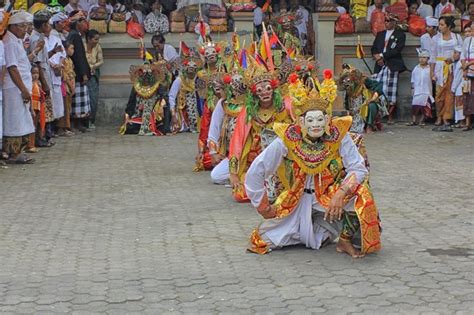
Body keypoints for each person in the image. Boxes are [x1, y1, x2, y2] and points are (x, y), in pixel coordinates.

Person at [244, 80, 381, 258]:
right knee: (263, 240)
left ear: (327, 119)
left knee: (362, 194)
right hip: (296, 198)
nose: (315, 125)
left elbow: (358, 168)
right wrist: (263, 206)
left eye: (320, 119)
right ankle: (311, 227)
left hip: (327, 196)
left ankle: (344, 240)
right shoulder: (289, 137)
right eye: (310, 120)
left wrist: (341, 192)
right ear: (301, 121)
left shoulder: (338, 134)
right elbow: (258, 169)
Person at [228, 63, 293, 202]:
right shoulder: (248, 112)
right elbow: (237, 141)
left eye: (268, 88)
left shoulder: (285, 105)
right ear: (254, 93)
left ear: (274, 89)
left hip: (284, 156)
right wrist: (233, 173)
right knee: (241, 194)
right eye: (260, 89)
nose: (264, 92)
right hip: (257, 158)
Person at [3, 11, 36, 164]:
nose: (25, 30)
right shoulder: (9, 42)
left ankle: (17, 151)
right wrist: (23, 89)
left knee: (22, 119)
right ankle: (13, 153)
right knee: (15, 120)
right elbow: (12, 68)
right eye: (23, 26)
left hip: (20, 88)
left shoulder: (16, 40)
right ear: (14, 27)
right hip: (14, 88)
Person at [208, 72, 247, 185]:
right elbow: (214, 128)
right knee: (216, 176)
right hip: (232, 154)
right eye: (233, 84)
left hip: (249, 153)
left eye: (240, 84)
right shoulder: (223, 103)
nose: (236, 88)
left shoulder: (252, 104)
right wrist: (213, 152)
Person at [371, 13, 407, 125]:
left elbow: (397, 50)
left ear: (394, 22)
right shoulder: (380, 34)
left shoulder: (400, 35)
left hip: (392, 65)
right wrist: (377, 57)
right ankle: (377, 115)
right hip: (379, 65)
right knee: (378, 89)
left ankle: (390, 116)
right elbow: (374, 48)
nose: (387, 23)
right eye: (385, 21)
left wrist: (382, 56)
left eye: (389, 21)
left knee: (391, 91)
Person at [430, 15, 462, 131]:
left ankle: (446, 117)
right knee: (439, 94)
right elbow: (432, 56)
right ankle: (439, 116)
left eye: (442, 25)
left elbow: (459, 52)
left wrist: (453, 59)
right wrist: (432, 72)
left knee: (449, 93)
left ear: (448, 26)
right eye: (439, 25)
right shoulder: (435, 39)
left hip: (452, 67)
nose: (440, 27)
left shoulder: (457, 37)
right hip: (439, 67)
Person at [121, 62, 168, 135]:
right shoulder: (136, 87)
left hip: (153, 115)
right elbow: (131, 102)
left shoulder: (157, 85)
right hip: (138, 115)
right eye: (144, 73)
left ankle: (148, 127)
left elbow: (164, 97)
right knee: (129, 127)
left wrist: (161, 105)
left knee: (161, 126)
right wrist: (127, 116)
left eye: (148, 73)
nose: (146, 76)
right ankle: (142, 127)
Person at [338, 65, 387, 133]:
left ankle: (369, 125)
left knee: (372, 106)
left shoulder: (363, 80)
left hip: (365, 104)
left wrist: (373, 98)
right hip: (353, 109)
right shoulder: (346, 83)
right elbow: (340, 88)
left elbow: (378, 86)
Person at [67, 10, 91, 132]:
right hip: (77, 73)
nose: (85, 24)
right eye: (83, 21)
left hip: (78, 71)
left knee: (80, 99)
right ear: (78, 23)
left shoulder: (75, 34)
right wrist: (83, 73)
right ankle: (74, 124)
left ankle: (79, 123)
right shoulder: (74, 35)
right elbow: (78, 57)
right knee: (77, 100)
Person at [169, 58, 201, 133]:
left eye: (193, 68)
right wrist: (173, 114)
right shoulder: (179, 80)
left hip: (195, 111)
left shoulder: (198, 80)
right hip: (181, 110)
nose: (191, 70)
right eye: (189, 68)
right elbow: (171, 96)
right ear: (186, 69)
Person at [408, 49, 433, 126]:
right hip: (417, 90)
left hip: (426, 90)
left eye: (424, 57)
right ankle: (414, 120)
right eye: (420, 57)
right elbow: (413, 80)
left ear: (428, 59)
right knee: (415, 106)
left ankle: (422, 121)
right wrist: (412, 89)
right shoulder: (416, 68)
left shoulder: (430, 69)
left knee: (424, 107)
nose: (422, 59)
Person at [56, 40, 76, 136]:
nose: (73, 50)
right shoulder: (63, 60)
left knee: (68, 106)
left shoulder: (70, 60)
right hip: (65, 86)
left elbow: (72, 73)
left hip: (70, 84)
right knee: (64, 106)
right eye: (71, 48)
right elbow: (65, 75)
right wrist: (71, 86)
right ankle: (62, 127)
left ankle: (66, 126)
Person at [85, 29, 103, 129]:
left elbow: (101, 61)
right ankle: (82, 121)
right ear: (89, 39)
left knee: (93, 98)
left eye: (98, 39)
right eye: (95, 39)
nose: (97, 41)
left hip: (93, 74)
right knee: (83, 98)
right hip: (82, 74)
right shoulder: (82, 46)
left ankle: (91, 120)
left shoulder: (97, 47)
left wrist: (93, 66)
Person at [27, 64, 46, 152]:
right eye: (33, 73)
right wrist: (31, 109)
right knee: (31, 126)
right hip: (32, 108)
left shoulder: (38, 83)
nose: (35, 75)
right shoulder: (29, 84)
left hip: (38, 107)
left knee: (35, 125)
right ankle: (30, 145)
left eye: (37, 73)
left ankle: (33, 143)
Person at [462, 22, 474, 131]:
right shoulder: (467, 40)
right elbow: (463, 55)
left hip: (471, 66)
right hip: (469, 71)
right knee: (467, 96)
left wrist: (469, 64)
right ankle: (467, 122)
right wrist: (464, 68)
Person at [451, 46, 465, 127]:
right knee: (458, 104)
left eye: (456, 53)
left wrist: (453, 88)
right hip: (458, 87)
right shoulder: (456, 63)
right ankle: (460, 121)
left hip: (460, 86)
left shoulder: (460, 64)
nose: (454, 55)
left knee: (460, 104)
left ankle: (462, 122)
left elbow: (457, 78)